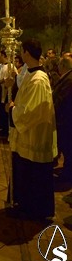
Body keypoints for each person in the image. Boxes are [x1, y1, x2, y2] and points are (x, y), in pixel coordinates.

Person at [7, 38, 57, 220]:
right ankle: (25, 205)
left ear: (27, 52)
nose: (20, 53)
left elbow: (30, 113)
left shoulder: (38, 80)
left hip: (34, 136)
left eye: (22, 50)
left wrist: (12, 109)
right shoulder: (31, 74)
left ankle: (33, 210)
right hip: (27, 135)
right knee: (25, 172)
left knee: (33, 175)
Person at [52, 54, 72, 190]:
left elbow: (62, 99)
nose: (57, 67)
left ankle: (68, 174)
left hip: (66, 120)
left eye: (59, 65)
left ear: (63, 66)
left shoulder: (69, 80)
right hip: (63, 120)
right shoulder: (66, 78)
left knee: (67, 148)